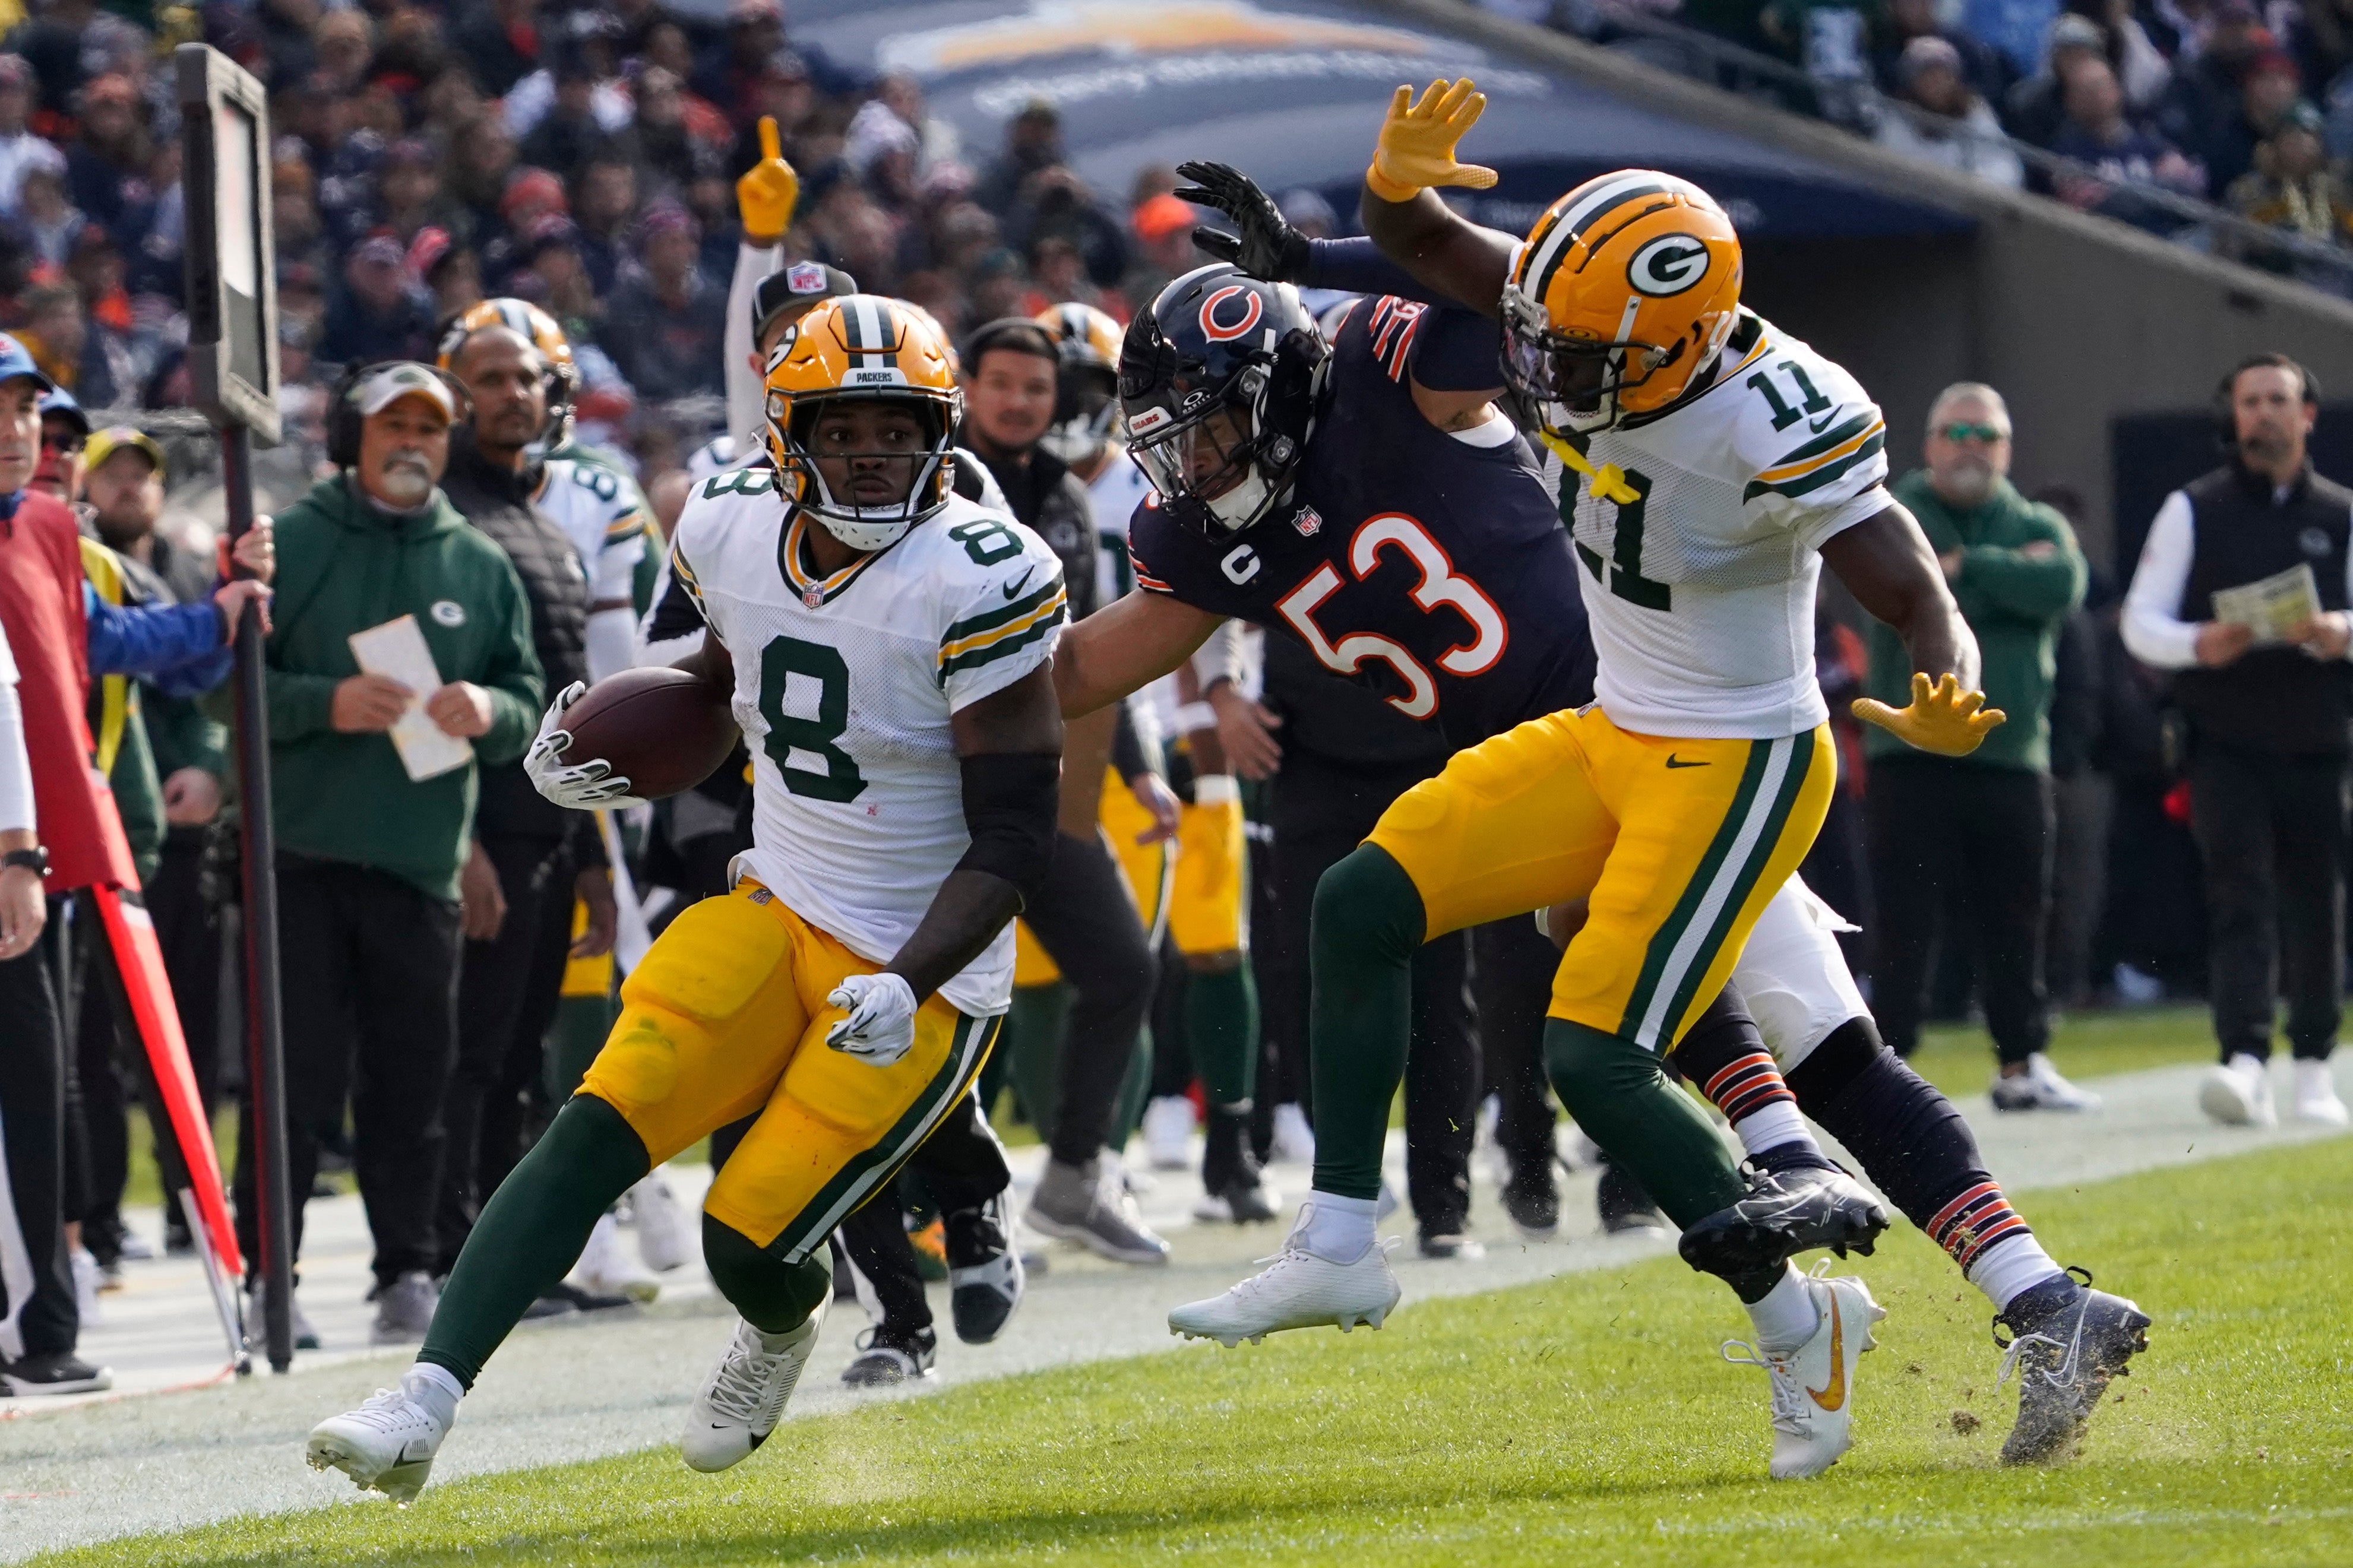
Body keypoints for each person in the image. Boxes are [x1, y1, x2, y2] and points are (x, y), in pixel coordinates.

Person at [1064, 112, 2142, 1472]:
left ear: (1673, 344)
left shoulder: (1755, 406)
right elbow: (1454, 260)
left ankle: (1863, 1240)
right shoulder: (1578, 323)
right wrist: (1355, 226)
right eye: (1543, 342)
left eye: (1574, 357)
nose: (1542, 377)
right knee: (1751, 1034)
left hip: (1725, 753)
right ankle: (2004, 1290)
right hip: (1612, 732)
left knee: (1744, 1043)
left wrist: (1944, 658)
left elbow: (1900, 564)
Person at [306, 296, 1064, 1500]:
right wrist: (598, 746)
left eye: (901, 429)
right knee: (599, 1120)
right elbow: (721, 684)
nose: (875, 452)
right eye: (844, 427)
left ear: (940, 432)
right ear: (785, 434)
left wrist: (909, 976)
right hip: (779, 900)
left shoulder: (983, 571)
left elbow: (1023, 829)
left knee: (744, 1238)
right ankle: (424, 1396)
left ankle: (782, 1324)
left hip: (922, 961)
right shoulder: (727, 525)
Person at [226, 361, 545, 1347]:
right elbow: (220, 688)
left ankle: (406, 1267)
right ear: (348, 438)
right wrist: (324, 702)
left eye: (431, 427)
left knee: (416, 1081)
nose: (413, 442)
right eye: (393, 423)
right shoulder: (291, 545)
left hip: (420, 866)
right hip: (302, 860)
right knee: (294, 1081)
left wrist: (490, 710)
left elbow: (528, 700)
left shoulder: (482, 564)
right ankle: (266, 1279)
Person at [432, 308, 642, 1312]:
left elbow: (570, 707)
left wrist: (593, 851)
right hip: (479, 826)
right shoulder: (444, 515)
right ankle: (445, 1250)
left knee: (521, 1052)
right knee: (469, 1050)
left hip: (551, 827)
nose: (511, 394)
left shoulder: (541, 523)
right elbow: (434, 686)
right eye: (488, 379)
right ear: (453, 393)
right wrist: (460, 834)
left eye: (524, 378)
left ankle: (509, 1261)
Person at [957, 315, 1179, 1260]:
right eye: (1001, 383)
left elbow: (1090, 657)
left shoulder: (1065, 503)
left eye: (1034, 388)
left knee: (1123, 967)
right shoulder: (931, 481)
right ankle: (900, 1208)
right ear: (964, 386)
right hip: (927, 791)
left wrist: (1139, 771)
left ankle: (1075, 1177)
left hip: (1032, 787)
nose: (1018, 402)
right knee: (932, 997)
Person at [2121, 353, 2353, 1129]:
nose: (2262, 414)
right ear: (2234, 417)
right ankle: (2243, 1059)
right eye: (2249, 402)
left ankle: (2314, 1066)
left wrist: (2337, 632)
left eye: (2277, 400)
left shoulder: (2339, 512)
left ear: (2305, 414)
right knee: (2238, 897)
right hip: (2220, 740)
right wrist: (2197, 645)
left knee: (2316, 903)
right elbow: (2140, 620)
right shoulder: (2192, 507)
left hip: (2319, 741)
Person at [1864, 383, 2095, 1110]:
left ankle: (2020, 1063)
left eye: (1985, 434)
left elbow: (2059, 584)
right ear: (1928, 442)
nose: (1969, 445)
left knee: (2018, 918)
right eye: (1954, 430)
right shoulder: (1887, 509)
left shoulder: (2040, 522)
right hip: (1910, 754)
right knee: (1904, 922)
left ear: (2007, 448)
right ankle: (1884, 1073)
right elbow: (1907, 582)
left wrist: (1969, 567)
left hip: (2010, 755)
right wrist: (1994, 570)